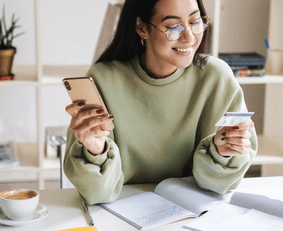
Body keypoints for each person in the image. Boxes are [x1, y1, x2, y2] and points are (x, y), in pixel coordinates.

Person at [64, 0, 257, 205]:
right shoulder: (103, 79)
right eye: (174, 27)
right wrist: (95, 150)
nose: (189, 37)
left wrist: (222, 153)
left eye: (195, 21)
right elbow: (98, 194)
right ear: (142, 27)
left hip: (194, 213)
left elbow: (219, 187)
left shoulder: (217, 78)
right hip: (120, 212)